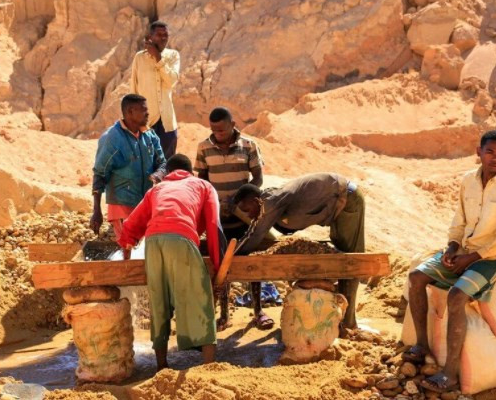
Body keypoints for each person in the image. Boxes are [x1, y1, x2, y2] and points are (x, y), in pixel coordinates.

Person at [405, 130, 496, 393]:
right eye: (489, 151)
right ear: (478, 152)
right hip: (465, 248)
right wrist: (453, 247)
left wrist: (470, 258)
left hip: (494, 256)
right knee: (416, 277)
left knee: (457, 296)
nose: (495, 158)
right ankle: (422, 346)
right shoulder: (468, 180)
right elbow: (460, 220)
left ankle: (450, 374)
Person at [117, 154, 227, 370]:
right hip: (182, 239)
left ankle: (161, 366)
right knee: (199, 300)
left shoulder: (156, 189)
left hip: (154, 243)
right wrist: (217, 263)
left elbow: (130, 225)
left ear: (167, 174)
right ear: (190, 173)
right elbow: (214, 225)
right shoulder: (203, 185)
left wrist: (126, 250)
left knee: (159, 301)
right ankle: (210, 365)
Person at [233, 173, 365, 330]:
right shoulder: (270, 199)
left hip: (347, 200)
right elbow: (255, 231)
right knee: (341, 261)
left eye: (247, 210)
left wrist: (233, 258)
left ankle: (348, 323)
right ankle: (340, 318)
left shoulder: (270, 201)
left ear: (256, 201)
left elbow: (256, 234)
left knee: (350, 263)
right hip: (336, 208)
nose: (247, 215)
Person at [194, 107, 269, 330]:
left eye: (222, 130)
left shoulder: (248, 145)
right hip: (219, 219)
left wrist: (240, 199)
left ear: (233, 124)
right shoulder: (204, 148)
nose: (218, 134)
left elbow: (258, 178)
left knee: (252, 263)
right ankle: (224, 315)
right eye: (214, 130)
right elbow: (202, 181)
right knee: (221, 265)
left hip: (243, 217)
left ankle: (258, 311)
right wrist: (214, 205)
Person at [90, 94, 166, 241]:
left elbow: (163, 163)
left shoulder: (149, 134)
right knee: (129, 248)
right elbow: (100, 174)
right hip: (122, 205)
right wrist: (96, 211)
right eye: (144, 110)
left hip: (146, 204)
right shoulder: (112, 139)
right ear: (130, 112)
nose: (148, 113)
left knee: (144, 250)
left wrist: (158, 175)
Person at [130, 20, 180, 159]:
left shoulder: (173, 56)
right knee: (146, 164)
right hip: (146, 122)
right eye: (159, 34)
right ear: (150, 37)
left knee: (167, 164)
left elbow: (171, 81)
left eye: (166, 34)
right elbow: (134, 89)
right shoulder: (139, 58)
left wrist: (158, 58)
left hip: (167, 123)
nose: (163, 37)